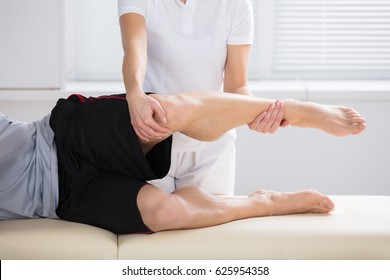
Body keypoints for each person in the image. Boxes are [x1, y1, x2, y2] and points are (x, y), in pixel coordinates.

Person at [0, 90, 366, 234]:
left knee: (163, 113)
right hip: (62, 199)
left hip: (57, 137)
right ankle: (265, 201)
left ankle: (291, 110)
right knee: (165, 214)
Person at [118, 0, 288, 195]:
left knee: (210, 222)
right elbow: (134, 49)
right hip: (151, 135)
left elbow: (237, 85)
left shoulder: (236, 4)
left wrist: (257, 114)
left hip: (212, 145)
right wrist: (134, 94)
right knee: (155, 221)